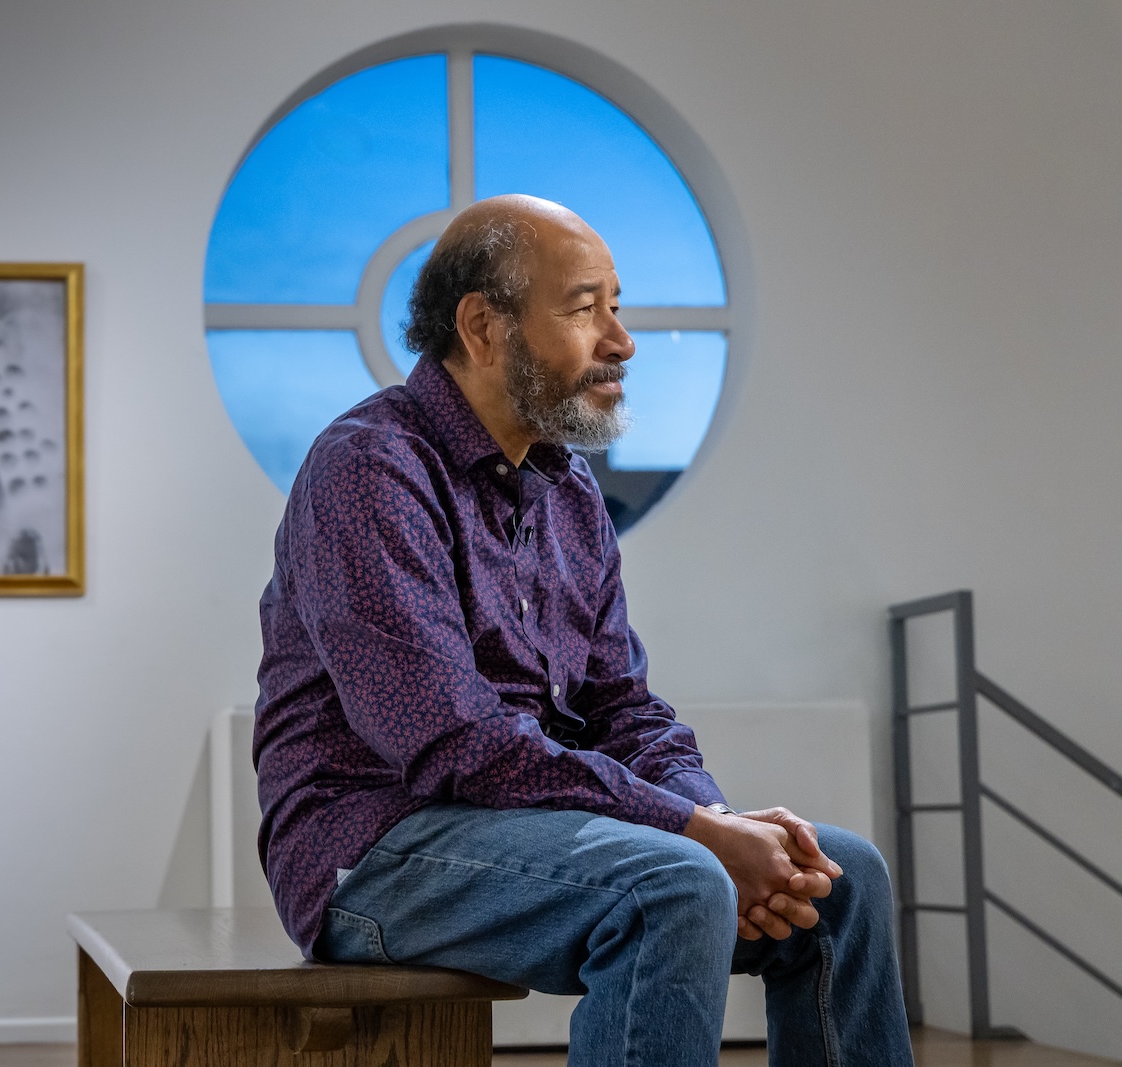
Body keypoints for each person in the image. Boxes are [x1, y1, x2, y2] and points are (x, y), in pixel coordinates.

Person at [253, 195, 913, 1066]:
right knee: (672, 885)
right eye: (585, 307)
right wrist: (696, 837)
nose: (622, 340)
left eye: (618, 304)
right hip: (372, 851)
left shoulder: (569, 493)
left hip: (517, 829)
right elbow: (454, 742)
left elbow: (623, 707)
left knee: (842, 876)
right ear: (484, 326)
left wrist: (714, 815)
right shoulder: (371, 469)